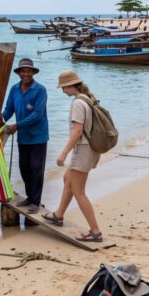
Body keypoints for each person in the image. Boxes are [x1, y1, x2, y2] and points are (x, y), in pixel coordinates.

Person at [41, 70, 104, 242]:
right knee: (67, 178)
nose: (63, 91)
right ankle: (59, 215)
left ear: (71, 85)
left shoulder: (78, 103)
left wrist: (63, 154)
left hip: (83, 150)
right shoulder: (88, 99)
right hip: (91, 149)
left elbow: (77, 132)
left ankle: (95, 231)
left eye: (63, 87)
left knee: (78, 191)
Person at [1, 58, 49, 214]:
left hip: (38, 137)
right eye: (23, 71)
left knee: (36, 169)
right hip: (23, 137)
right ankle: (29, 197)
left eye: (28, 71)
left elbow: (37, 114)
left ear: (33, 73)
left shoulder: (40, 90)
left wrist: (17, 125)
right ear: (19, 73)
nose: (25, 74)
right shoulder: (14, 89)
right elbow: (9, 109)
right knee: (24, 168)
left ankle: (35, 201)